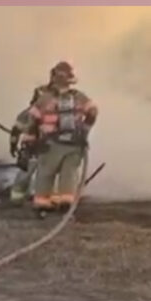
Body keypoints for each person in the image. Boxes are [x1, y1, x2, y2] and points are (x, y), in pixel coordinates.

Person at [24, 61, 98, 214]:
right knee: (69, 174)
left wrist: (29, 142)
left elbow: (32, 120)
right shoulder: (79, 97)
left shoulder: (45, 98)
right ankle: (66, 204)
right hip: (75, 144)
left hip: (51, 144)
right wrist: (84, 131)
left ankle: (42, 205)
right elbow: (93, 112)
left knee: (45, 173)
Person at [7, 89, 41, 204]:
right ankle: (17, 197)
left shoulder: (53, 113)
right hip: (31, 148)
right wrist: (13, 145)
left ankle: (36, 196)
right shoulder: (27, 114)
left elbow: (15, 131)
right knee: (26, 173)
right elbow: (16, 131)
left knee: (44, 174)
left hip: (45, 148)